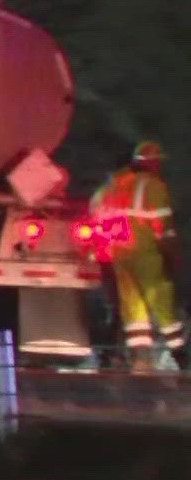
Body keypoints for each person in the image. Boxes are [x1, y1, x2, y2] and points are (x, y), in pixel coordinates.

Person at [89, 140, 184, 369]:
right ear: (151, 163)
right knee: (163, 305)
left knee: (133, 309)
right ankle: (182, 357)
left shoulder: (113, 185)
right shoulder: (153, 185)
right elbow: (163, 227)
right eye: (157, 162)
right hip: (146, 254)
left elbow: (96, 213)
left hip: (119, 255)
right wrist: (173, 256)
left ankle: (141, 359)